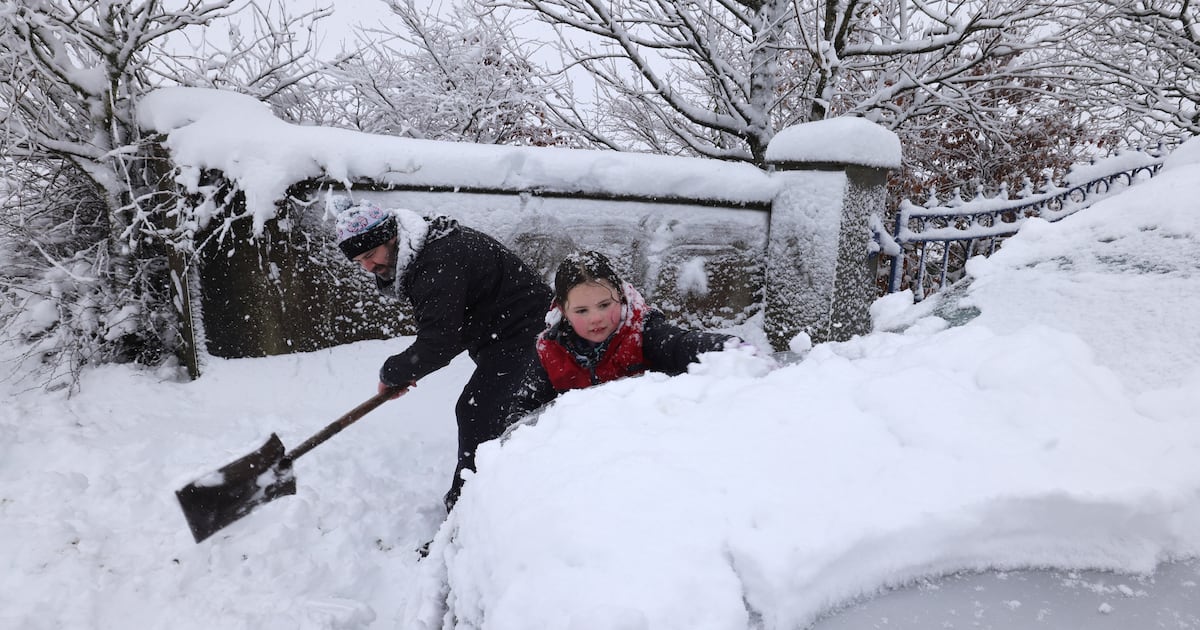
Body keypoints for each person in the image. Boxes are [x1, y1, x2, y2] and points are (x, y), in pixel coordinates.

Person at [332, 198, 552, 511]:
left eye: (370, 255)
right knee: (504, 416)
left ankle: (467, 509)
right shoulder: (426, 249)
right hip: (504, 334)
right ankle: (500, 496)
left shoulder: (436, 260)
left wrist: (393, 372)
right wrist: (411, 369)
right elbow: (450, 328)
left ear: (391, 236)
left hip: (530, 334)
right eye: (359, 261)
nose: (368, 267)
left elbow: (439, 342)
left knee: (480, 413)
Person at [513, 250, 740, 416]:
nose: (595, 318)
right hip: (583, 448)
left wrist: (728, 348)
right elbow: (523, 411)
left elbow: (680, 344)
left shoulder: (641, 331)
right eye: (582, 310)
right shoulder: (551, 353)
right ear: (563, 311)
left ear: (620, 296)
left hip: (641, 437)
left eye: (604, 305)